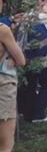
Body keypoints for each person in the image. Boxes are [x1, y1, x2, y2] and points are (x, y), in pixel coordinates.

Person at [0, 22, 25, 152]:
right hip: (3, 87)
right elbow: (21, 60)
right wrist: (10, 58)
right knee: (5, 141)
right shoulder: (2, 30)